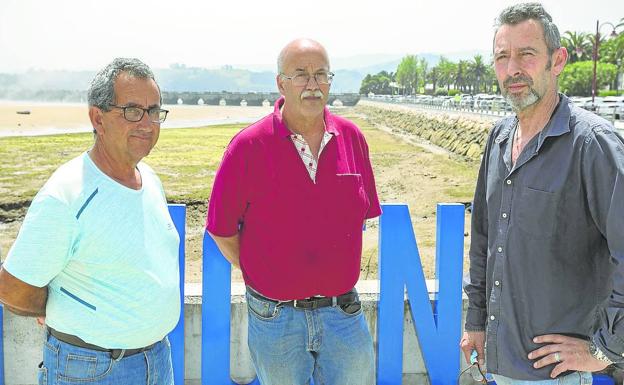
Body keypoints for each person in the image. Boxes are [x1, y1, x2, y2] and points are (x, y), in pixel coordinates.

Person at [460, 2, 624, 384]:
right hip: (498, 365)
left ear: (558, 60)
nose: (513, 69)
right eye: (503, 57)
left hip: (560, 375)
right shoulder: (499, 138)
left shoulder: (593, 145)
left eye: (527, 54)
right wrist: (477, 322)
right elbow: (484, 241)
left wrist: (606, 349)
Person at [206, 38, 381, 385]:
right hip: (276, 318)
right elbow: (221, 229)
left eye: (321, 74)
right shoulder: (247, 146)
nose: (313, 84)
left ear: (330, 82)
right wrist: (265, 268)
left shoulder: (352, 138)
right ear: (280, 83)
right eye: (301, 74)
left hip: (343, 314)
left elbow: (363, 215)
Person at [0, 58, 180, 384]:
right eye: (132, 110)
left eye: (154, 111)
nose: (147, 122)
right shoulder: (66, 194)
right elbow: (13, 288)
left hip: (158, 359)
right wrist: (59, 307)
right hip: (92, 368)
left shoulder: (150, 179)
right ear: (98, 118)